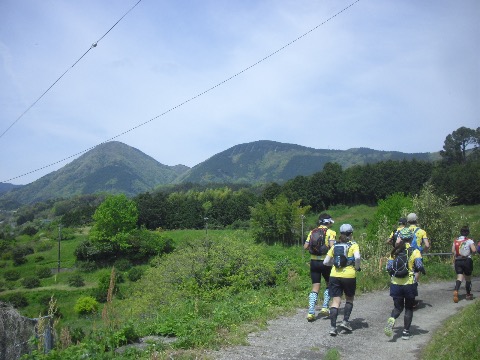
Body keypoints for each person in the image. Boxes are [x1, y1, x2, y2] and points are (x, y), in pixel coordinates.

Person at [384, 228, 426, 340]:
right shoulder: (415, 251)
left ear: (400, 238)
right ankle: (406, 332)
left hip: (395, 284)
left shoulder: (395, 251)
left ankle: (392, 319)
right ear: (411, 238)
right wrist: (423, 271)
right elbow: (419, 265)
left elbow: (388, 268)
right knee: (408, 308)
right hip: (409, 284)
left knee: (397, 308)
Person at [323, 224, 361, 336]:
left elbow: (325, 262)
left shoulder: (335, 245)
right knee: (349, 299)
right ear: (351, 233)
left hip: (334, 275)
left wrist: (334, 264)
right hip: (349, 275)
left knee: (335, 301)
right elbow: (357, 257)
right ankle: (345, 321)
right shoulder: (354, 245)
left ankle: (333, 327)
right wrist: (357, 267)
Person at [303, 213, 336, 321]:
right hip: (326, 263)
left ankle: (311, 312)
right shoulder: (331, 232)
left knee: (315, 287)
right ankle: (325, 307)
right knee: (329, 284)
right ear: (328, 222)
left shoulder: (312, 232)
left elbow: (305, 246)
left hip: (314, 262)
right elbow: (332, 247)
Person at [452, 226, 477, 302]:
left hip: (458, 261)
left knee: (459, 277)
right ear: (467, 232)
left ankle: (456, 290)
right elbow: (474, 250)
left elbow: (453, 251)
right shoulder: (469, 241)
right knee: (468, 278)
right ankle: (468, 294)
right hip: (467, 260)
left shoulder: (456, 241)